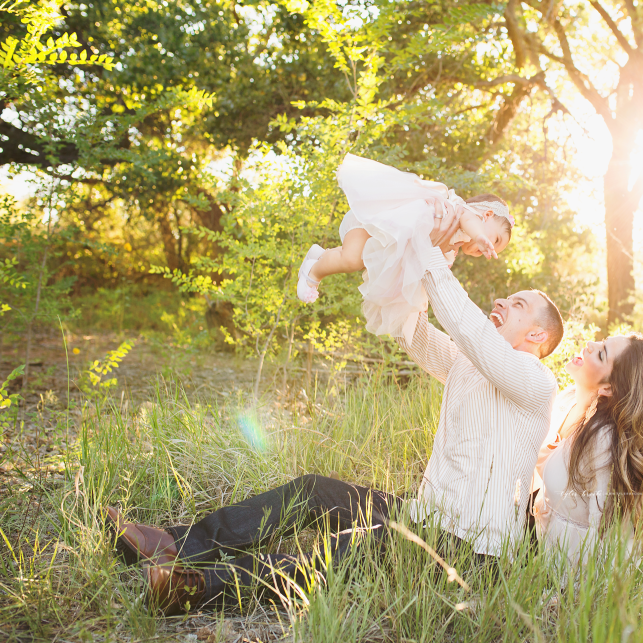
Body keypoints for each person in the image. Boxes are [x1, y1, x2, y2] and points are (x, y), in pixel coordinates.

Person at [106, 199, 564, 615]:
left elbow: (467, 327)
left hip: (472, 551)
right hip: (426, 519)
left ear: (537, 336)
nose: (502, 300)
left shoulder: (536, 382)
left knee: (348, 549)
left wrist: (425, 249)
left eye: (518, 303)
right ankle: (180, 545)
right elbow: (411, 328)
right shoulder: (468, 363)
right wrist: (425, 243)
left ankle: (195, 586)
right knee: (313, 490)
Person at [297, 154, 515, 345]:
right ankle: (313, 272)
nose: (489, 250)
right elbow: (470, 223)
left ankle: (320, 256)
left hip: (380, 236)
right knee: (351, 259)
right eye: (494, 241)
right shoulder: (462, 214)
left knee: (355, 258)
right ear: (485, 216)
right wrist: (479, 236)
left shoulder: (452, 245)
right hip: (381, 221)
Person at [530, 333, 643, 567]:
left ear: (609, 388)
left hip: (571, 576)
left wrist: (563, 597)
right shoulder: (570, 405)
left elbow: (605, 538)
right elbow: (542, 467)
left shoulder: (604, 440)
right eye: (601, 342)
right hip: (542, 557)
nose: (590, 345)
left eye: (601, 353)